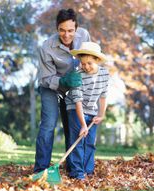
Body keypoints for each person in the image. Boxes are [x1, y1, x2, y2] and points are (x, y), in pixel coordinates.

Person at [34, 8, 90, 173]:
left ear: (76, 28)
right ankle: (41, 169)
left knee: (72, 126)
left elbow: (89, 59)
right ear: (57, 28)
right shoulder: (47, 47)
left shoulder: (85, 36)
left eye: (71, 30)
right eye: (62, 30)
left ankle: (73, 168)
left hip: (74, 88)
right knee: (48, 125)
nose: (66, 35)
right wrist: (63, 80)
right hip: (51, 88)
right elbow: (45, 78)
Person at [65, 41, 109, 180]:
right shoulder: (77, 75)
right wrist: (83, 124)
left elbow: (103, 97)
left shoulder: (104, 74)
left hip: (92, 110)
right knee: (78, 141)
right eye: (83, 63)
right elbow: (77, 102)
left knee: (90, 141)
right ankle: (77, 173)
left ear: (97, 60)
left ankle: (88, 171)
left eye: (89, 63)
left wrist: (101, 115)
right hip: (75, 109)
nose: (86, 67)